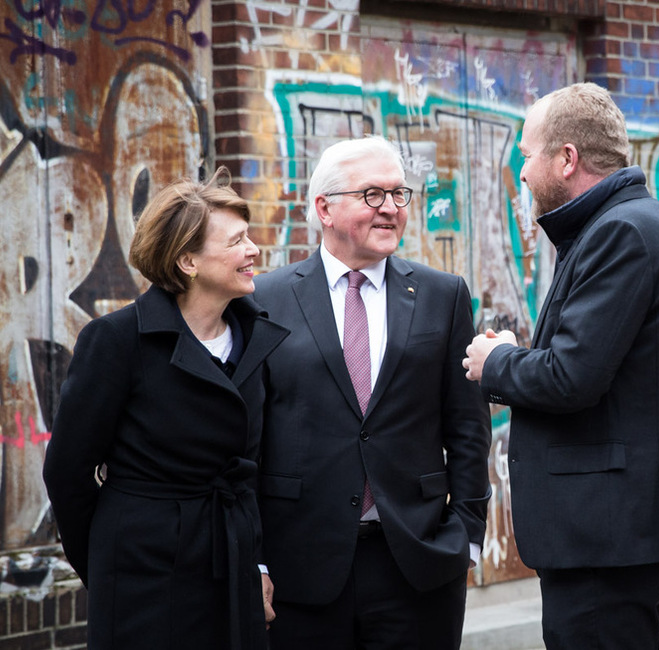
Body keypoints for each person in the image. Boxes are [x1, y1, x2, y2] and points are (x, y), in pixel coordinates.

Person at [462, 82, 659, 649]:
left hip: (607, 532)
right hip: (616, 528)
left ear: (567, 159)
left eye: (528, 154)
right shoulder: (636, 224)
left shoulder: (620, 234)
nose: (522, 172)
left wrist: (496, 362)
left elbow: (571, 378)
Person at [253, 135, 492, 649]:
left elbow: (468, 428)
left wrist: (467, 539)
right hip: (301, 569)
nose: (391, 209)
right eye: (372, 195)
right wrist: (256, 559)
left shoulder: (442, 295)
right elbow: (248, 439)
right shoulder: (265, 300)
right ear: (325, 209)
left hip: (417, 565)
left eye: (399, 194)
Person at [42, 168, 287, 650]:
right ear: (188, 261)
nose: (254, 250)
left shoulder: (253, 336)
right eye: (237, 241)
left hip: (231, 566)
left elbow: (250, 471)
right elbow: (67, 472)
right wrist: (110, 566)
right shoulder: (116, 340)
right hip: (144, 579)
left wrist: (255, 562)